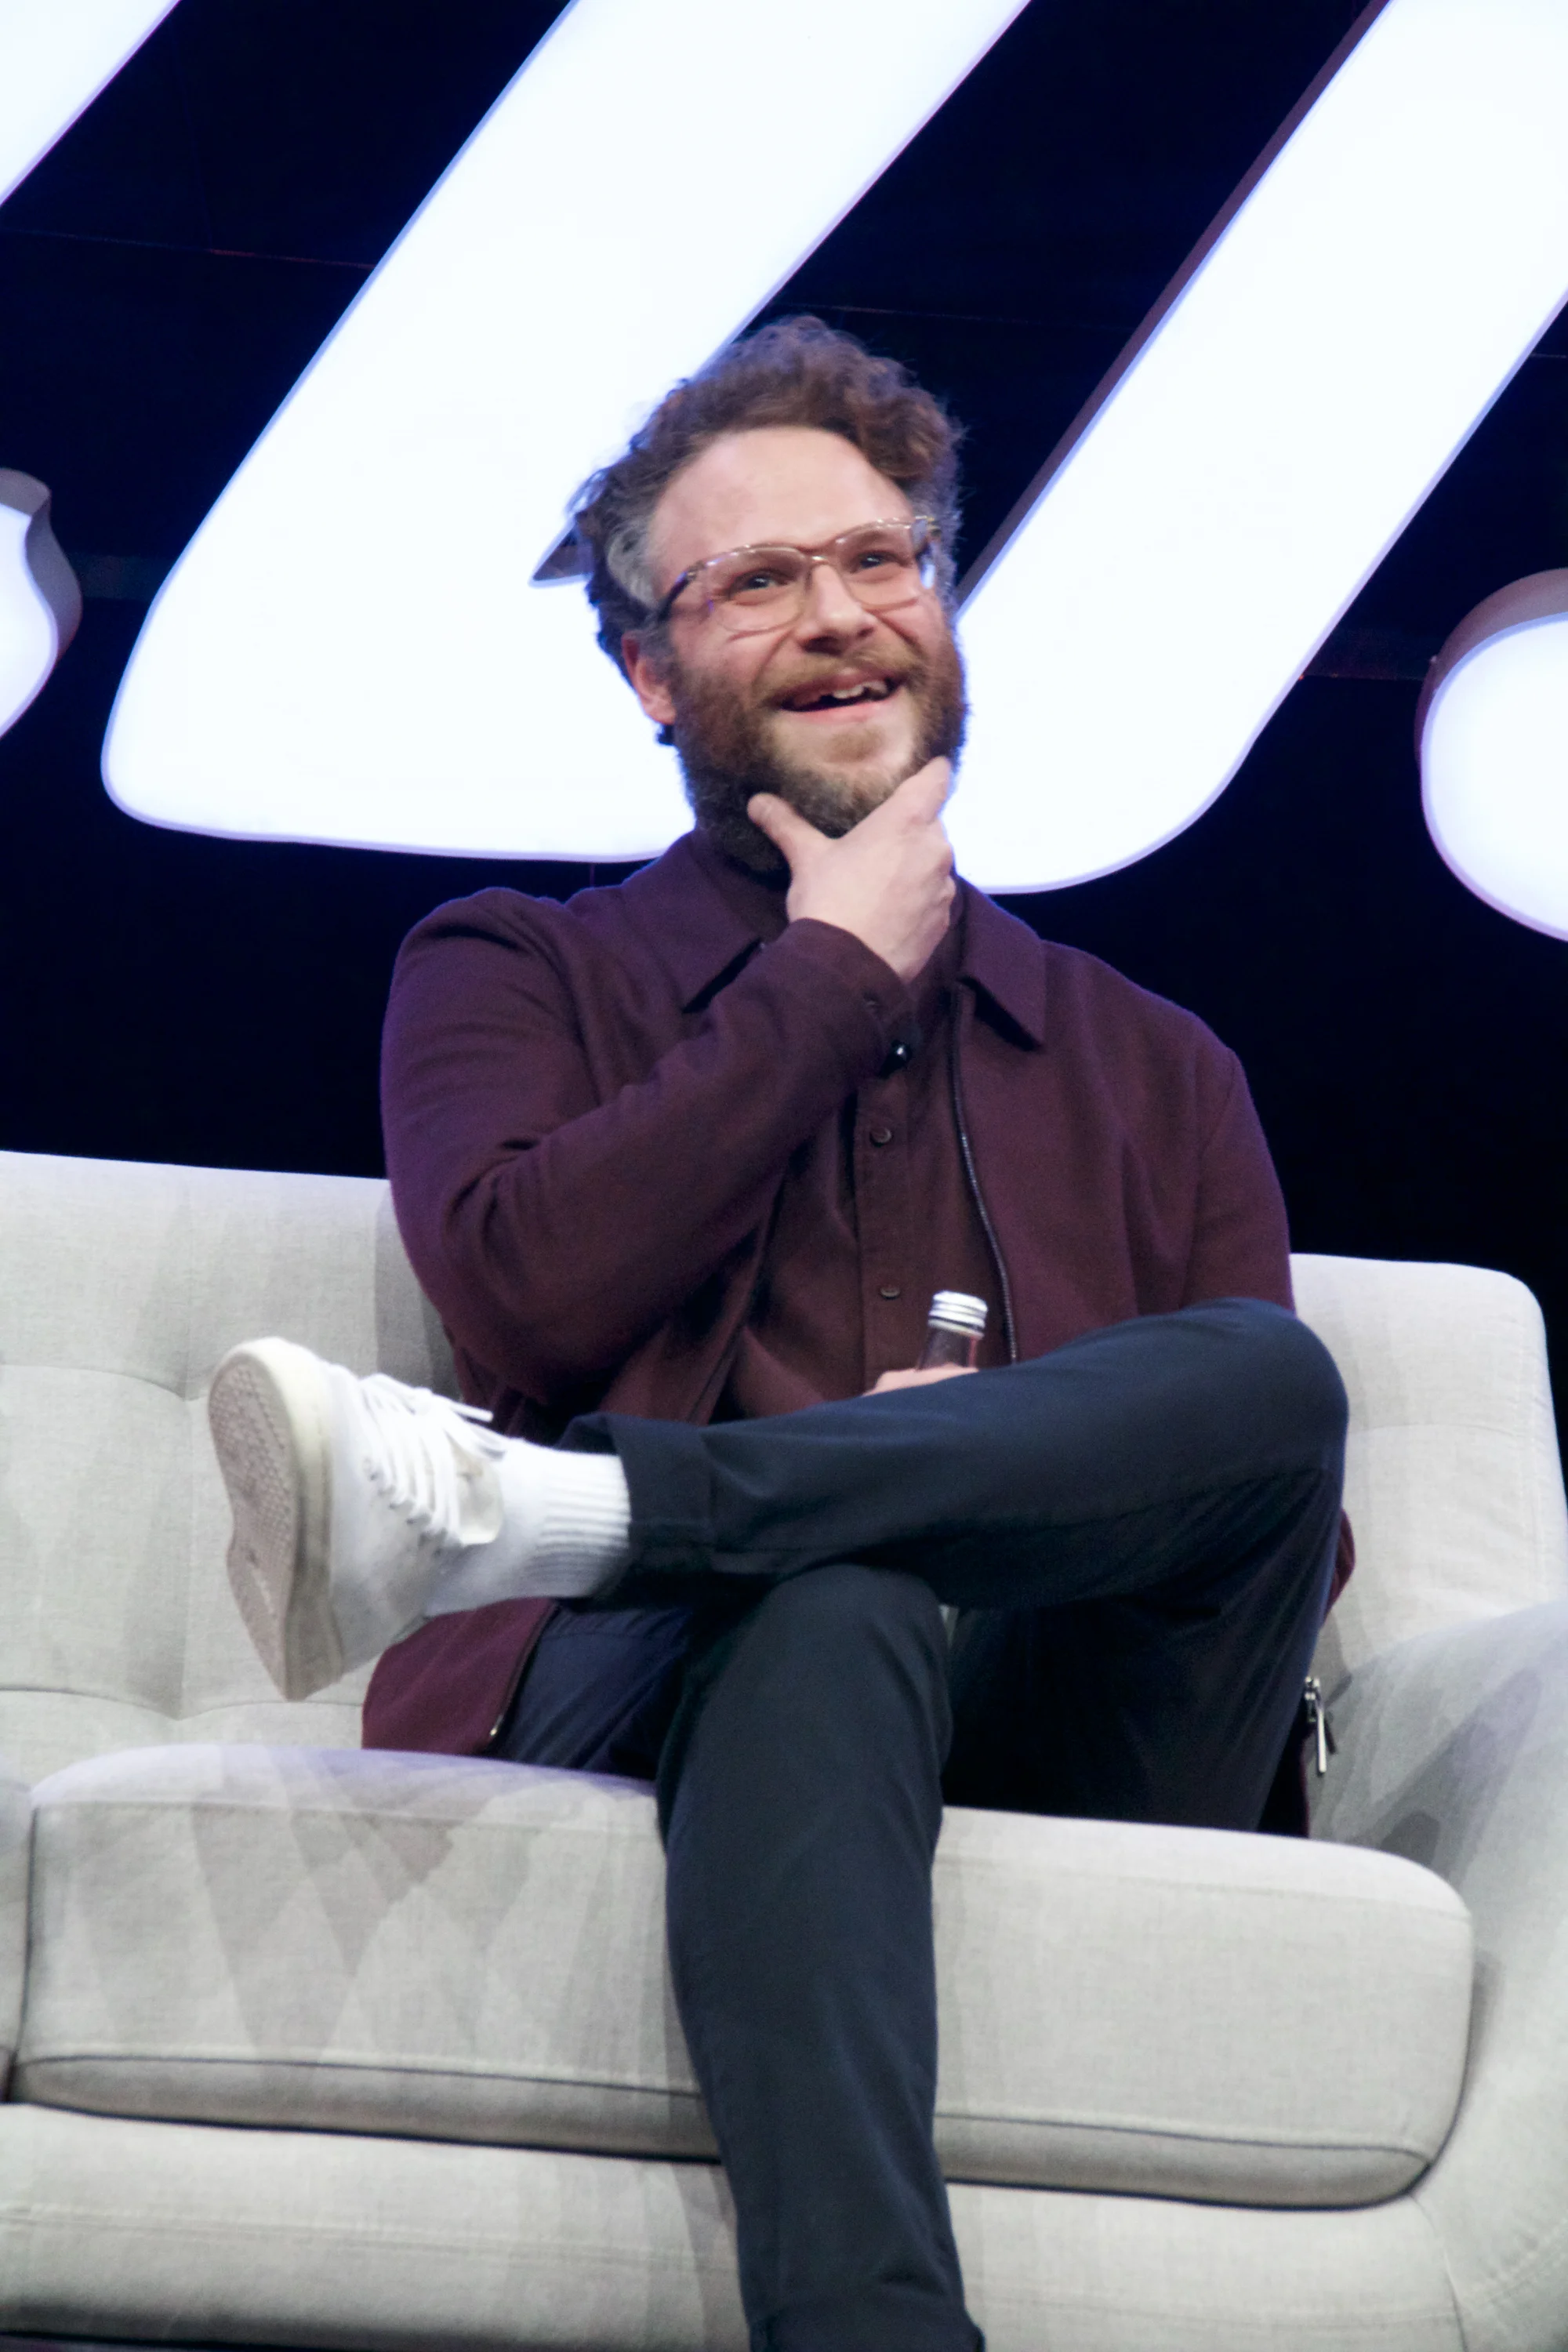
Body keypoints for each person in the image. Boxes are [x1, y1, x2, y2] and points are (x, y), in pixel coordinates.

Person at [208, 318, 1351, 2352]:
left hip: (1070, 1703)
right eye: (758, 582)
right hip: (657, 1695)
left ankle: (577, 1510)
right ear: (653, 673)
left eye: (881, 560)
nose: (840, 618)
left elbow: (1272, 1509)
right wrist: (824, 976)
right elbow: (520, 1289)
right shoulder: (512, 969)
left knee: (1277, 1383)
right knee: (829, 1599)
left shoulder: (1155, 1064)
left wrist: (1007, 1458)